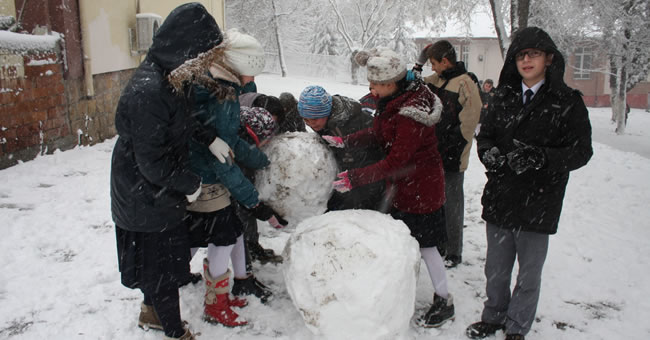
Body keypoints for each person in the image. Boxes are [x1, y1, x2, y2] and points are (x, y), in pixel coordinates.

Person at [110, 4, 232, 340]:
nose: (206, 64)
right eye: (203, 56)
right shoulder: (149, 91)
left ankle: (152, 313)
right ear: (185, 48)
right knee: (160, 266)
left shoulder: (173, 76)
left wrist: (209, 139)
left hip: (157, 186)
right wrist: (189, 183)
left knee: (158, 262)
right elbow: (151, 162)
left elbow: (183, 120)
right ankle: (174, 331)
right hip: (144, 189)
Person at [466, 27, 593, 340]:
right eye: (521, 55)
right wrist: (489, 154)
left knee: (529, 273)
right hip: (501, 197)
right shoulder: (502, 97)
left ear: (548, 58)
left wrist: (542, 158)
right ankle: (493, 316)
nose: (526, 60)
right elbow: (486, 136)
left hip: (539, 201)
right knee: (495, 269)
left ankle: (517, 326)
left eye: (534, 54)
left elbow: (581, 151)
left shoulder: (567, 102)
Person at [323, 47, 454, 328]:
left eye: (375, 84)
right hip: (406, 186)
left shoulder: (410, 112)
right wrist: (348, 140)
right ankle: (397, 291)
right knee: (401, 241)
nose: (370, 89)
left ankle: (444, 299)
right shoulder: (395, 99)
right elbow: (379, 132)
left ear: (392, 83)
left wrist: (354, 178)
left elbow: (396, 160)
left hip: (421, 188)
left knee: (427, 246)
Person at [181, 28, 287, 327]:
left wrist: (260, 160)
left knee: (228, 234)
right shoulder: (216, 94)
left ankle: (228, 288)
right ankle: (215, 304)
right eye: (247, 75)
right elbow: (224, 162)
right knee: (223, 238)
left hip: (207, 173)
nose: (248, 82)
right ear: (234, 67)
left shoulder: (221, 88)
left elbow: (232, 142)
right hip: (205, 179)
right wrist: (257, 205)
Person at [414, 40, 482, 268]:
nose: (431, 68)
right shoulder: (436, 81)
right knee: (435, 203)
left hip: (452, 156)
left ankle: (454, 251)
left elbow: (469, 123)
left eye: (433, 63)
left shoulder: (465, 84)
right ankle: (440, 244)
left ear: (445, 61)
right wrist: (418, 64)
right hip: (433, 155)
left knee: (452, 204)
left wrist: (449, 148)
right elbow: (412, 85)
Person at [297, 85, 385, 212]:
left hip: (369, 173)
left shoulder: (349, 127)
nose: (311, 123)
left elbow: (363, 161)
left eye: (314, 119)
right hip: (351, 170)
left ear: (326, 112)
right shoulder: (326, 122)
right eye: (306, 120)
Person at [235, 105, 284, 266]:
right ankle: (245, 265)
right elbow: (241, 188)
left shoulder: (239, 134)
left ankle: (251, 247)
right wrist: (262, 211)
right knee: (240, 220)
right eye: (266, 139)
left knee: (244, 217)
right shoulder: (242, 150)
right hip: (224, 197)